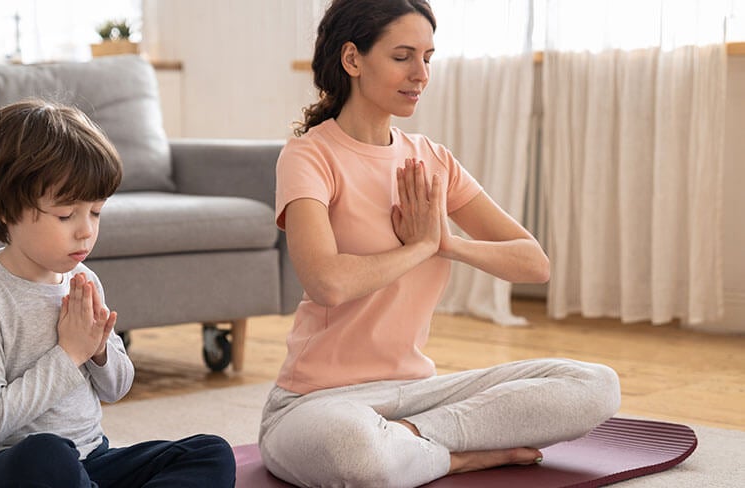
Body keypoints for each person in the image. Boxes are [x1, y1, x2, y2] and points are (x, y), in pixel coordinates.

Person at [258, 1, 622, 487]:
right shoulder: (309, 155)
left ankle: (413, 439)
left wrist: (446, 243)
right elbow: (328, 283)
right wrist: (418, 247)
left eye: (428, 57)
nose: (421, 73)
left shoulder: (432, 159)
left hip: (420, 393)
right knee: (356, 454)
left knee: (595, 386)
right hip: (318, 402)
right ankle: (458, 456)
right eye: (403, 56)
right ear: (353, 60)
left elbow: (534, 264)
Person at [0, 99, 236, 488]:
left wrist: (98, 352)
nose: (86, 230)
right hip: (7, 469)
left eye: (96, 212)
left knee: (210, 452)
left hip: (90, 460)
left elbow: (116, 388)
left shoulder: (83, 281)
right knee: (46, 454)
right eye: (66, 215)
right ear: (5, 210)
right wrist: (70, 354)